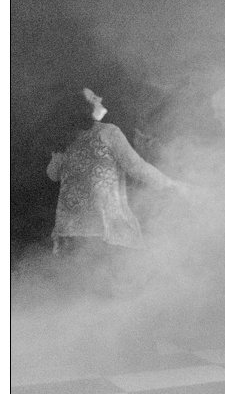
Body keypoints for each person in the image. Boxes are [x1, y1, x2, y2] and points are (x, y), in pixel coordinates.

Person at [48, 87, 188, 267]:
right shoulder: (108, 132)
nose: (100, 97)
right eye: (92, 97)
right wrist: (172, 185)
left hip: (69, 231)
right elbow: (136, 167)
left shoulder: (67, 138)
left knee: (76, 289)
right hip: (102, 230)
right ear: (83, 107)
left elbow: (53, 175)